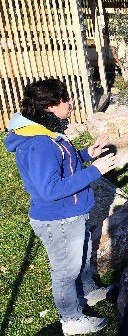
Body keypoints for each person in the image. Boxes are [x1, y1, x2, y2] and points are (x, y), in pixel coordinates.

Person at [3, 79, 118, 335]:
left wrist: (88, 153)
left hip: (73, 213)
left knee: (81, 258)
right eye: (66, 99)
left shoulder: (45, 132)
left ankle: (87, 293)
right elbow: (50, 189)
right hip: (59, 219)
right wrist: (94, 172)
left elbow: (63, 161)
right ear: (51, 106)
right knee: (65, 271)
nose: (71, 103)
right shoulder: (40, 143)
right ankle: (71, 319)